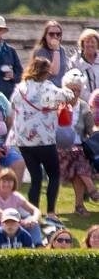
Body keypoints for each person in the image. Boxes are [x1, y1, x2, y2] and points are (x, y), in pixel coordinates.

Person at [10, 57, 71, 221]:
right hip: (44, 140)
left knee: (35, 177)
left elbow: (13, 105)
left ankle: (33, 212)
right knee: (54, 175)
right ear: (46, 71)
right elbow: (68, 96)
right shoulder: (48, 87)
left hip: (24, 141)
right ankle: (50, 211)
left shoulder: (20, 88)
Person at [57, 70, 99, 213]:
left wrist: (95, 135)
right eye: (72, 89)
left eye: (78, 90)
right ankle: (92, 191)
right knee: (76, 155)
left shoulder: (83, 106)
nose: (75, 93)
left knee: (77, 156)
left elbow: (90, 128)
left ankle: (80, 206)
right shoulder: (57, 105)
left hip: (79, 148)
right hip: (59, 147)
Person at [0, 170, 43, 246]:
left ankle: (38, 246)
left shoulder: (15, 196)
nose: (6, 184)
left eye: (9, 182)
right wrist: (21, 222)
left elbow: (35, 210)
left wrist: (33, 219)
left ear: (14, 183)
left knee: (33, 224)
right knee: (9, 225)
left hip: (12, 226)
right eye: (4, 181)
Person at [32, 20, 66, 88]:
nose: (55, 36)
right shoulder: (40, 51)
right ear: (45, 35)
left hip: (60, 88)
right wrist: (56, 49)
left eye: (58, 34)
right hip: (45, 89)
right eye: (51, 34)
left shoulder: (62, 50)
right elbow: (54, 71)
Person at [71, 29, 99, 106]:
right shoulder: (75, 62)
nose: (90, 44)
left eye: (93, 42)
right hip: (82, 104)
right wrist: (91, 99)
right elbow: (73, 84)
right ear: (82, 44)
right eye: (87, 42)